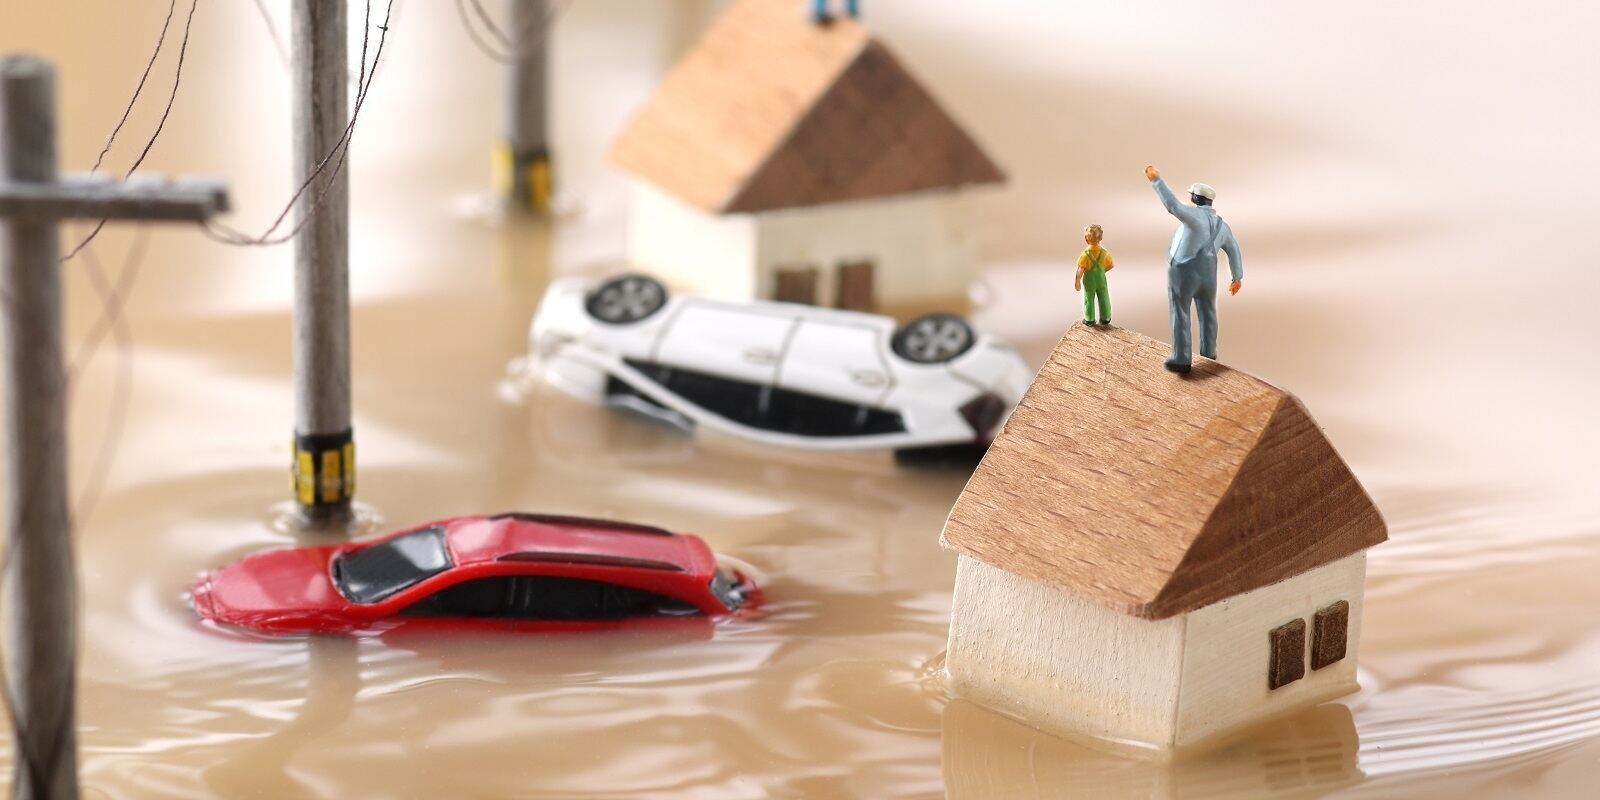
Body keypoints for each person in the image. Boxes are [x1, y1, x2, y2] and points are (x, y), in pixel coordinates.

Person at [1144, 165, 1243, 373]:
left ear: (1195, 199)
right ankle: (1209, 354)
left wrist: (1157, 181)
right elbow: (1233, 249)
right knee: (1208, 312)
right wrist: (1236, 277)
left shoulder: (1192, 215)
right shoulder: (1222, 225)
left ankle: (1181, 358)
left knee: (1180, 311)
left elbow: (1172, 206)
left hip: (1184, 271)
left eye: (1190, 196)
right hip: (1208, 275)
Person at [1074, 224, 1114, 327]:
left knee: (1088, 298)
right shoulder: (1105, 253)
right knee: (1104, 297)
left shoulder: (1085, 255)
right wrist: (1101, 271)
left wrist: (1077, 282)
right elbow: (1111, 265)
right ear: (1101, 238)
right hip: (1101, 280)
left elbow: (1080, 270)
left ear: (1086, 239)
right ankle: (1105, 318)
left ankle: (1089, 319)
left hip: (1089, 281)